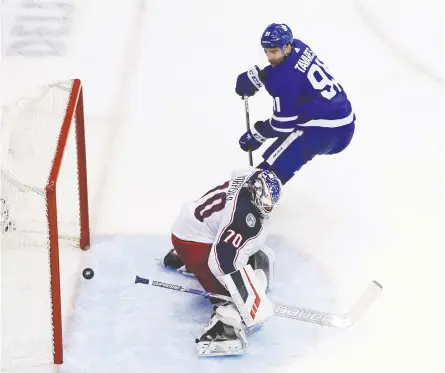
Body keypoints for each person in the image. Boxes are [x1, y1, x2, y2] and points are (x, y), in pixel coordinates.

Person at [163, 168, 281, 356]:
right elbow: (221, 262)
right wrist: (247, 298)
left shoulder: (247, 180)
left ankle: (183, 256)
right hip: (191, 244)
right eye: (265, 203)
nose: (268, 208)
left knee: (233, 249)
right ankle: (222, 323)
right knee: (229, 296)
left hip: (187, 226)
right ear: (256, 193)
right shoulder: (242, 217)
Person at [236, 23, 355, 185]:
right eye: (267, 52)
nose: (270, 57)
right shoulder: (300, 46)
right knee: (301, 118)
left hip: (326, 129)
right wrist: (262, 76)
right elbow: (294, 72)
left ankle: (254, 196)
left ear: (287, 47)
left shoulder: (281, 80)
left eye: (274, 52)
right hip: (345, 120)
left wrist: (258, 134)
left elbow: (283, 125)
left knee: (268, 173)